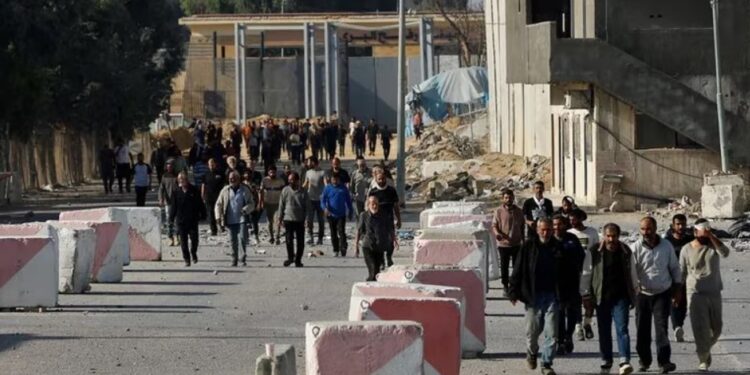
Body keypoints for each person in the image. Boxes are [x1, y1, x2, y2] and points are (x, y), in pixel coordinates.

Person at [509, 218, 575, 375]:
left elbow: (567, 274)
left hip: (553, 295)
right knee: (532, 331)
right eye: (543, 230)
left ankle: (546, 363)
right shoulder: (528, 247)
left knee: (552, 333)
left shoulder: (559, 248)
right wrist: (513, 291)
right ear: (537, 230)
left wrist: (568, 295)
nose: (546, 233)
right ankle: (531, 352)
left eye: (549, 230)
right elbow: (518, 269)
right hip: (533, 295)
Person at [580, 223, 637, 375]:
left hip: (621, 297)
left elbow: (633, 273)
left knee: (622, 329)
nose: (611, 239)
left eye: (614, 236)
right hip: (601, 298)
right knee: (604, 331)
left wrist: (635, 293)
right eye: (608, 236)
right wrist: (585, 294)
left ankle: (624, 360)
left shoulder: (625, 251)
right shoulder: (594, 252)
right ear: (603, 236)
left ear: (618, 236)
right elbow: (586, 274)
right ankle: (606, 360)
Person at [632, 216, 681, 374]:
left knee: (662, 329)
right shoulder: (636, 248)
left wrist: (677, 288)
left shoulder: (666, 246)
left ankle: (664, 362)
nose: (646, 232)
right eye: (643, 229)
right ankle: (644, 361)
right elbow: (630, 272)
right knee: (642, 330)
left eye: (649, 229)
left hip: (662, 293)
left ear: (655, 228)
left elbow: (674, 267)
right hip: (643, 294)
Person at [680, 220, 730, 372]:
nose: (705, 235)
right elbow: (681, 272)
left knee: (717, 328)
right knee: (700, 327)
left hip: (713, 291)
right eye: (703, 232)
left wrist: (712, 237)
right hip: (695, 293)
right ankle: (703, 358)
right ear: (695, 232)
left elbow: (725, 253)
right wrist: (677, 293)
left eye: (708, 231)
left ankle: (705, 349)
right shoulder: (686, 249)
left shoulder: (713, 246)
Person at [551, 215, 585, 356]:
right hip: (555, 283)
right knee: (558, 312)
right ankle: (560, 341)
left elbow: (581, 256)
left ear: (565, 225)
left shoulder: (572, 239)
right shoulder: (550, 240)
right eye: (555, 225)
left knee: (572, 311)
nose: (557, 227)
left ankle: (568, 336)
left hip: (572, 281)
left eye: (560, 224)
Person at [568, 208, 599, 341]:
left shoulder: (591, 232)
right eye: (570, 219)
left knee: (589, 303)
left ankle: (587, 323)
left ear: (581, 218)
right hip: (574, 274)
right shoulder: (569, 233)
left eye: (574, 218)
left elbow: (597, 251)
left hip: (589, 272)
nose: (572, 221)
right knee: (575, 303)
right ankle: (577, 326)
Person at [663, 213, 694, 343]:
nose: (681, 227)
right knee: (675, 302)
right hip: (671, 277)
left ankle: (678, 326)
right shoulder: (667, 241)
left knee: (684, 304)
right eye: (678, 224)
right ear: (673, 225)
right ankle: (677, 326)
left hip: (688, 276)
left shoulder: (690, 239)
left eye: (683, 224)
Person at [215, 171, 255, 267]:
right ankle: (234, 258)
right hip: (230, 219)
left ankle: (242, 257)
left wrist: (245, 210)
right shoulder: (225, 190)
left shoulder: (245, 189)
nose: (232, 179)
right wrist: (218, 218)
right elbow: (218, 204)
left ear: (238, 179)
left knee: (242, 238)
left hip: (242, 218)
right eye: (230, 178)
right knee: (233, 240)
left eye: (234, 178)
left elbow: (252, 203)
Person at [169, 172, 206, 267]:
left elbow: (200, 203)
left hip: (192, 220)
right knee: (183, 242)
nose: (181, 180)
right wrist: (171, 218)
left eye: (183, 178)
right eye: (179, 179)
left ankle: (193, 253)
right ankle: (187, 259)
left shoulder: (194, 190)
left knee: (194, 240)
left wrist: (203, 214)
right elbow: (173, 207)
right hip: (181, 221)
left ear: (187, 179)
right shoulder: (176, 192)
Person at [492, 188, 525, 294]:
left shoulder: (519, 211)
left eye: (510, 197)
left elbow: (522, 226)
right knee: (504, 267)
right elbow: (494, 225)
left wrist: (523, 240)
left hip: (516, 243)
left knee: (517, 267)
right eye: (506, 197)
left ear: (513, 198)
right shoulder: (498, 211)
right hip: (503, 245)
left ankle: (514, 286)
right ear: (503, 199)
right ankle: (505, 285)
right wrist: (497, 234)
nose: (508, 199)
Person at [355, 196, 396, 281]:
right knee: (373, 268)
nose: (375, 206)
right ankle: (369, 284)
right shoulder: (364, 215)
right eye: (373, 204)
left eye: (376, 204)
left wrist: (394, 240)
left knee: (377, 272)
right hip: (367, 246)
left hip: (379, 247)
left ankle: (372, 286)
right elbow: (359, 231)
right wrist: (356, 246)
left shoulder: (384, 215)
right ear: (368, 205)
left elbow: (390, 228)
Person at [367, 170, 401, 267]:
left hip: (389, 219)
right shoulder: (373, 191)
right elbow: (369, 206)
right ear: (376, 180)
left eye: (383, 179)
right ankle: (381, 261)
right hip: (377, 221)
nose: (381, 181)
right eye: (379, 179)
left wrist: (398, 219)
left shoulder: (391, 190)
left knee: (390, 240)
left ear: (386, 178)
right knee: (379, 241)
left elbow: (396, 206)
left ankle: (389, 257)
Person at [278, 171, 308, 267]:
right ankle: (290, 258)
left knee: (300, 242)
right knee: (289, 240)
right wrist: (280, 218)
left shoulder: (303, 191)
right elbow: (281, 205)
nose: (290, 181)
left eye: (292, 179)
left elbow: (307, 207)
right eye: (289, 179)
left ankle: (298, 260)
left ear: (297, 180)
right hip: (288, 219)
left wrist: (307, 219)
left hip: (300, 220)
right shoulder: (285, 190)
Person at [321, 172, 353, 257]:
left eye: (336, 179)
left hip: (341, 214)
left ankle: (343, 247)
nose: (335, 181)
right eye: (333, 179)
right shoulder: (327, 188)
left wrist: (350, 211)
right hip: (331, 215)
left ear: (339, 180)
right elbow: (323, 201)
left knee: (341, 231)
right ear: (331, 179)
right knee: (333, 233)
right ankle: (335, 249)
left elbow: (348, 201)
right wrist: (325, 208)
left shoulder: (343, 188)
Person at [303, 157, 327, 245]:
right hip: (310, 199)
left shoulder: (322, 172)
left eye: (309, 162)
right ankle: (310, 237)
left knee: (321, 220)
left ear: (313, 162)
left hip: (320, 200)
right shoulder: (308, 172)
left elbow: (326, 184)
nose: (307, 163)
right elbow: (306, 183)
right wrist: (299, 189)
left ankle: (320, 238)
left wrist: (328, 194)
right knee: (309, 219)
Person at [261, 165, 286, 245]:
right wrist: (261, 202)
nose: (272, 174)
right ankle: (271, 237)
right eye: (271, 172)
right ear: (268, 173)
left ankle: (277, 237)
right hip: (268, 203)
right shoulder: (264, 180)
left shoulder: (280, 181)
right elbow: (261, 192)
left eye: (274, 172)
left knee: (278, 221)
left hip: (278, 204)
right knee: (269, 222)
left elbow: (284, 192)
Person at [159, 162, 178, 246]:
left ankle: (177, 237)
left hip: (177, 201)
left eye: (171, 167)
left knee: (177, 220)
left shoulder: (177, 175)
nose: (169, 168)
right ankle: (170, 238)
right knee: (169, 220)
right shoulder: (164, 176)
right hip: (168, 201)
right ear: (166, 168)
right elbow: (161, 188)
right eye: (168, 167)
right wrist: (161, 199)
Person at [242, 170, 263, 246]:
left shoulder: (254, 184)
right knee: (245, 222)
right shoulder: (242, 184)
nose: (247, 176)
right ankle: (246, 238)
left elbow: (259, 193)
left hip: (253, 204)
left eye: (248, 174)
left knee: (254, 222)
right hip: (244, 205)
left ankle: (256, 237)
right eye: (245, 174)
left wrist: (259, 204)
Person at [350, 156, 372, 225]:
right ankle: (359, 232)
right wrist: (353, 195)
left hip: (368, 199)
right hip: (358, 199)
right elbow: (352, 186)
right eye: (360, 165)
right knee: (359, 216)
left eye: (363, 164)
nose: (362, 166)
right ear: (357, 165)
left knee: (368, 216)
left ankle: (367, 232)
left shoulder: (371, 172)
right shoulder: (354, 174)